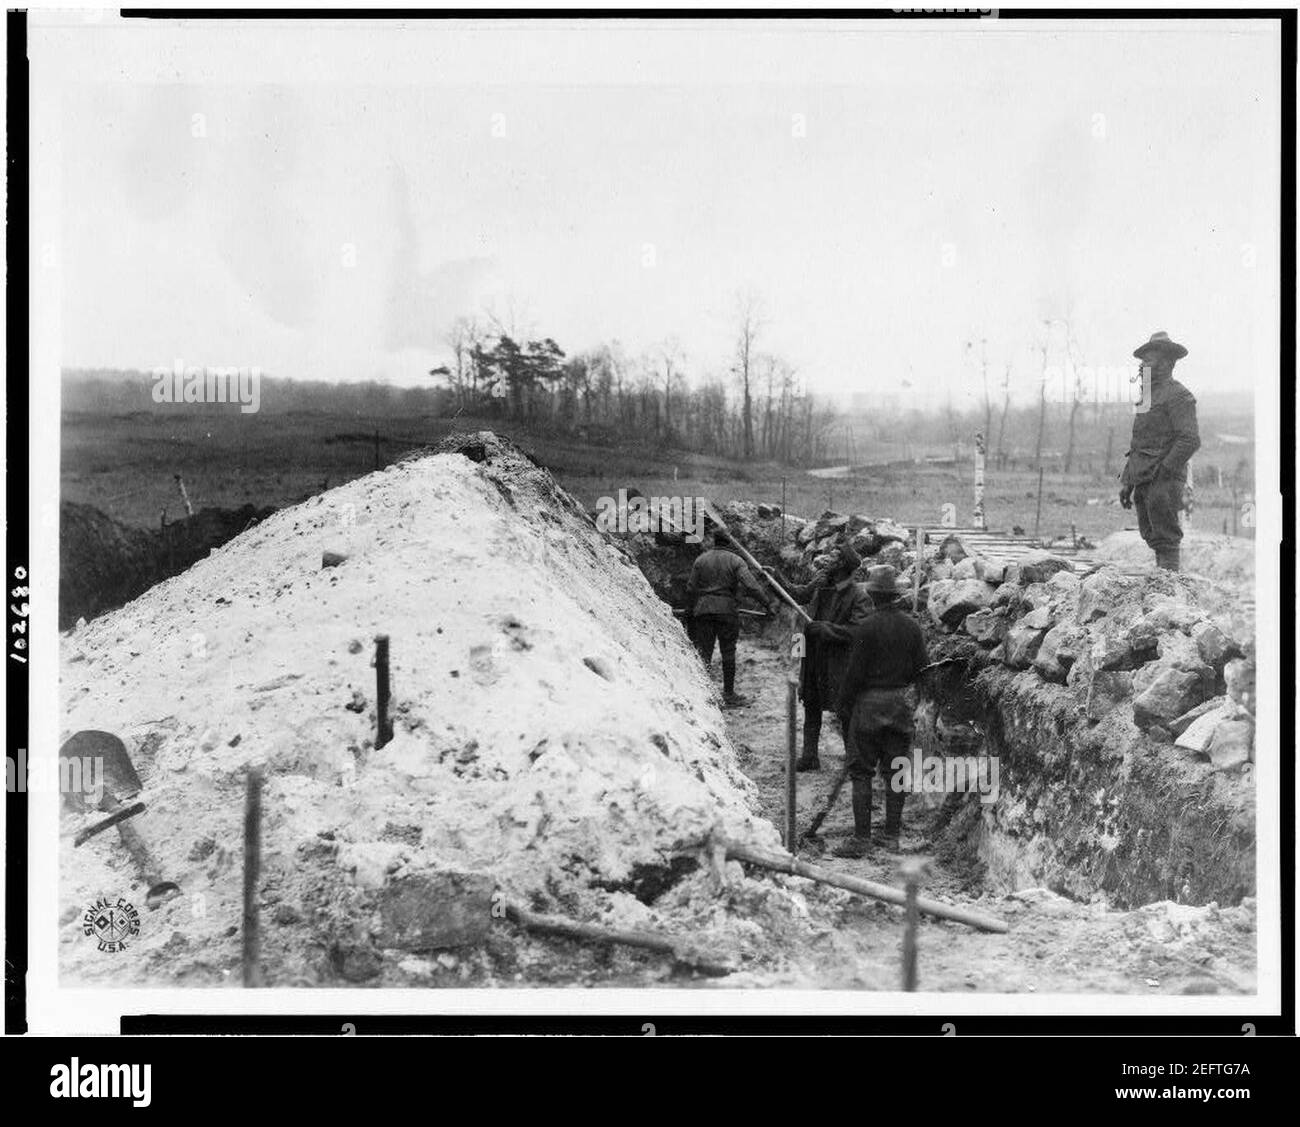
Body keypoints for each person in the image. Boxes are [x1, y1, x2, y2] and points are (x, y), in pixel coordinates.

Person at [833, 564, 929, 858]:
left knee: (861, 772)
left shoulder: (867, 627)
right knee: (895, 772)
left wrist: (842, 705)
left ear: (872, 595)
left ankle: (862, 840)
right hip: (900, 705)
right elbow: (922, 670)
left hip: (869, 706)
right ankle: (892, 838)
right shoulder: (912, 627)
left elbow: (854, 674)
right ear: (896, 596)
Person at [779, 541, 873, 772]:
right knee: (811, 705)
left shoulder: (858, 596)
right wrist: (777, 578)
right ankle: (810, 757)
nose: (826, 561)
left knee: (845, 712)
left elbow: (858, 631)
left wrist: (826, 629)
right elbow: (799, 594)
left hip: (839, 663)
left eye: (832, 558)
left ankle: (854, 760)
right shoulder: (822, 586)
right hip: (815, 659)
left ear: (842, 566)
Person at [1119, 331, 1200, 571]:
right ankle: (1161, 591)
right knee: (1152, 534)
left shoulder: (1179, 396)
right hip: (1143, 476)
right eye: (1141, 361)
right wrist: (1127, 481)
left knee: (1166, 537)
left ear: (1166, 363)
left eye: (1148, 361)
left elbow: (1189, 439)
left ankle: (1169, 595)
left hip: (1163, 478)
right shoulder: (1146, 397)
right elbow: (1138, 443)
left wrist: (1165, 471)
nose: (1142, 365)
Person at [686, 525, 775, 708]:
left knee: (704, 652)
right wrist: (767, 604)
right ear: (729, 542)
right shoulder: (736, 560)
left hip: (703, 610)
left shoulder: (701, 560)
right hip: (727, 611)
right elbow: (751, 586)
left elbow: (691, 588)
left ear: (714, 541)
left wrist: (692, 608)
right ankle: (728, 694)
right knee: (728, 652)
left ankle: (704, 695)